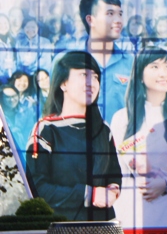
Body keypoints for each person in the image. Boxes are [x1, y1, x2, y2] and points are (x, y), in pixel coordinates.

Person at [109, 49, 167, 229]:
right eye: (155, 67)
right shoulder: (122, 117)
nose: (163, 73)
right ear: (140, 75)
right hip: (132, 207)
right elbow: (117, 166)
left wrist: (166, 184)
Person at [24, 51, 122, 221]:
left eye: (96, 77)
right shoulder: (46, 129)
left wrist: (112, 190)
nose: (92, 83)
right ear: (63, 83)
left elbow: (114, 174)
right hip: (63, 227)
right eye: (84, 75)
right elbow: (37, 187)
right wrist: (89, 194)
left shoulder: (103, 129)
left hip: (104, 226)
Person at [76, 0, 134, 122]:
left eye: (120, 14)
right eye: (110, 13)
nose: (118, 20)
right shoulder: (68, 62)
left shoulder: (131, 64)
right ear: (91, 20)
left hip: (119, 135)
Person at [1, 71, 38, 156]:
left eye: (14, 96)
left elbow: (29, 131)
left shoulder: (27, 108)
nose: (11, 99)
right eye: (7, 97)